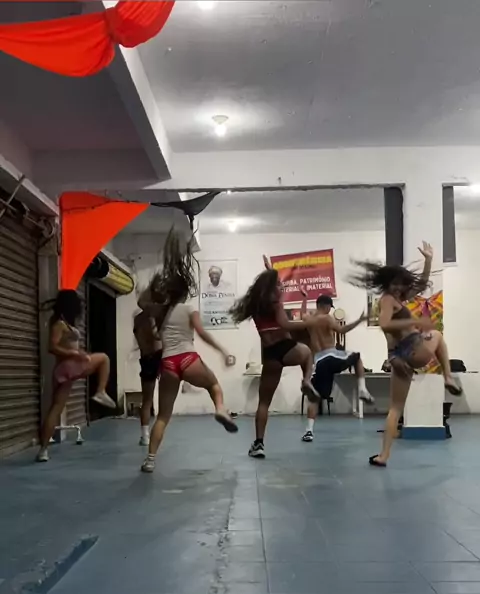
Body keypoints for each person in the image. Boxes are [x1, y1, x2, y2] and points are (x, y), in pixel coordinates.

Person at [349, 241, 462, 467]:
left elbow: (421, 284)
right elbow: (384, 324)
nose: (399, 288)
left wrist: (428, 260)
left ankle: (383, 456)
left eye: (401, 284)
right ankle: (448, 377)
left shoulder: (397, 299)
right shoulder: (387, 300)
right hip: (413, 349)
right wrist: (415, 321)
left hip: (399, 357)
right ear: (387, 284)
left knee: (395, 408)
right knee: (436, 335)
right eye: (395, 284)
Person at [140, 229, 238, 474]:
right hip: (188, 358)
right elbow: (201, 333)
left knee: (163, 416)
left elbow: (142, 302)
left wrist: (155, 284)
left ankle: (150, 460)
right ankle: (220, 409)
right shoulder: (189, 308)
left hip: (167, 363)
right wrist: (222, 350)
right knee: (214, 385)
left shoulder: (159, 311)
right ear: (184, 291)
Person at [229, 256, 315, 459]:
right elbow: (285, 325)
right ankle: (306, 380)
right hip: (286, 348)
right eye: (278, 284)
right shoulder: (276, 305)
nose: (281, 287)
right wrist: (308, 323)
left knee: (264, 403)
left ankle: (259, 443)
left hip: (269, 355)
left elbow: (276, 286)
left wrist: (271, 270)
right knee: (307, 353)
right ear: (271, 287)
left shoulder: (256, 306)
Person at [36, 290, 115, 462]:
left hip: (66, 370)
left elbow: (67, 345)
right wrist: (74, 353)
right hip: (70, 366)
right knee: (104, 358)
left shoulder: (63, 322)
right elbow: (52, 347)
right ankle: (100, 391)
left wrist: (78, 352)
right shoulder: (59, 324)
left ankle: (43, 450)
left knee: (56, 408)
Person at [301, 294, 372, 442]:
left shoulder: (309, 319)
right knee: (357, 357)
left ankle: (309, 431)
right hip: (331, 356)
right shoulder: (327, 318)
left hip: (318, 361)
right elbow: (342, 330)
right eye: (329, 307)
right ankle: (362, 390)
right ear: (326, 306)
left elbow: (302, 314)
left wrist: (305, 298)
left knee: (314, 399)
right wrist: (359, 320)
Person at [133, 309, 162, 446]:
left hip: (146, 358)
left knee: (147, 400)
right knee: (164, 398)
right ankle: (157, 432)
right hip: (159, 356)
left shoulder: (138, 319)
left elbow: (139, 337)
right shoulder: (155, 316)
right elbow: (157, 336)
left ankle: (145, 436)